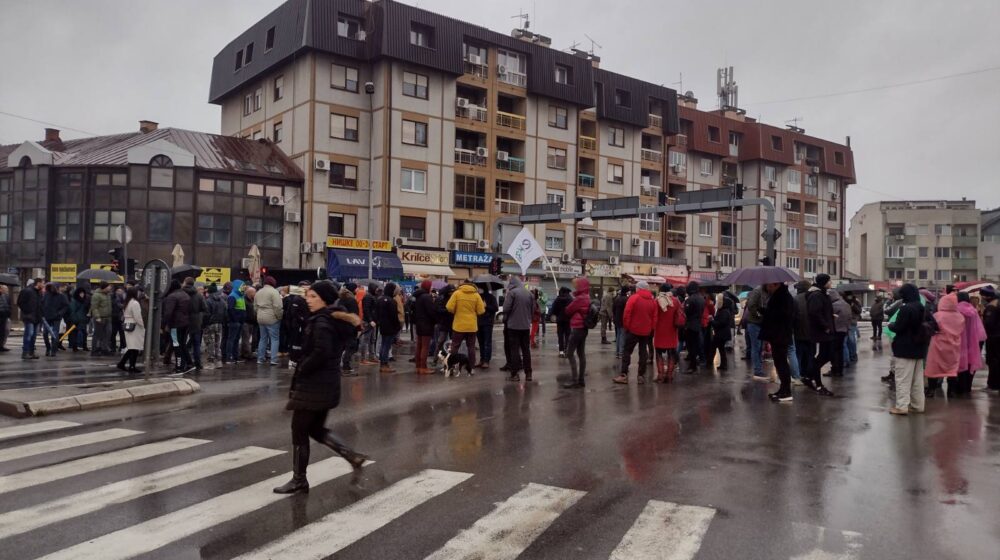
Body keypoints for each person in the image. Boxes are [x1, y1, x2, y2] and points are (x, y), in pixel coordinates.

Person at [272, 280, 369, 495]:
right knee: (315, 429)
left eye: (313, 296)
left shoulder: (322, 322)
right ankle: (352, 456)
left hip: (314, 386)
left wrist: (303, 367)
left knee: (299, 431)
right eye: (308, 296)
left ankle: (299, 480)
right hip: (327, 383)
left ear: (325, 299)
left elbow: (321, 352)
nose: (308, 300)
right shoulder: (331, 319)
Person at [887, 284, 929, 414]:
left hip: (904, 348)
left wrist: (890, 325)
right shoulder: (921, 307)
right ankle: (918, 405)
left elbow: (899, 327)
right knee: (917, 381)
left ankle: (901, 406)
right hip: (919, 348)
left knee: (902, 379)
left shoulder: (906, 309)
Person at [613, 281, 657, 384]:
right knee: (643, 353)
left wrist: (627, 327)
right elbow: (655, 317)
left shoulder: (634, 298)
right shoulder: (652, 300)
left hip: (633, 330)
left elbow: (627, 314)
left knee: (627, 351)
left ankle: (624, 375)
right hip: (646, 331)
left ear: (639, 288)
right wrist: (651, 328)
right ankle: (641, 375)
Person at [759, 282, 796, 402]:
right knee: (779, 362)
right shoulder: (779, 296)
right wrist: (765, 311)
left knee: (782, 363)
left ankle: (786, 392)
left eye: (769, 286)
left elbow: (783, 315)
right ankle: (783, 389)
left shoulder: (784, 297)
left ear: (775, 285)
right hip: (778, 334)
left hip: (780, 334)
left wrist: (767, 312)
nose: (767, 288)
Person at [923, 293, 965, 398]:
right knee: (952, 369)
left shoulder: (938, 315)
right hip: (954, 345)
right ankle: (951, 392)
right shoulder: (960, 316)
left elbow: (931, 328)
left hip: (938, 344)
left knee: (933, 367)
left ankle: (931, 390)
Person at [804, 274, 836, 396]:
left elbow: (821, 311)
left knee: (827, 355)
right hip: (820, 332)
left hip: (824, 331)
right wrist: (825, 326)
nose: (831, 283)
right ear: (824, 282)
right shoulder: (817, 295)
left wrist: (829, 317)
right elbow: (814, 313)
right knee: (821, 357)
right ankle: (818, 384)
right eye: (829, 281)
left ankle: (809, 376)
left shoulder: (822, 294)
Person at [951, 291, 987, 396]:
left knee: (959, 365)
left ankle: (959, 388)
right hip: (973, 342)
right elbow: (980, 330)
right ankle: (967, 387)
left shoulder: (955, 310)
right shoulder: (973, 311)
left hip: (958, 342)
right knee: (970, 363)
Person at [562, 277, 592, 389]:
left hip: (577, 328)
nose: (575, 286)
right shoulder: (587, 296)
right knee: (581, 353)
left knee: (569, 353)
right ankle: (581, 380)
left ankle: (575, 380)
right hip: (583, 328)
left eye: (576, 285)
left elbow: (568, 310)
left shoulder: (580, 298)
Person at [447, 280, 485, 367]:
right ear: (472, 285)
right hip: (471, 326)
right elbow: (481, 311)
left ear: (462, 284)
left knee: (455, 346)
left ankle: (451, 366)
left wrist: (456, 311)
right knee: (471, 347)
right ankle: (471, 366)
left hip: (458, 326)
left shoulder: (457, 293)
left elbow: (449, 307)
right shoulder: (476, 295)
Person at [503, 277, 534, 382]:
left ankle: (515, 374)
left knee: (514, 350)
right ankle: (528, 374)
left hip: (513, 326)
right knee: (526, 350)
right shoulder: (529, 294)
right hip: (525, 326)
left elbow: (506, 308)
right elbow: (533, 310)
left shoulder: (512, 293)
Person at [163, 279, 194, 375]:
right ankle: (189, 363)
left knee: (176, 345)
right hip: (185, 324)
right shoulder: (185, 295)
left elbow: (168, 313)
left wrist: (164, 324)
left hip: (175, 325)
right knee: (182, 344)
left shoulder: (172, 297)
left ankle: (179, 367)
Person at [652, 283, 681, 383]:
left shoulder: (656, 301)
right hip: (672, 331)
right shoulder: (676, 301)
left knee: (659, 354)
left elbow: (654, 316)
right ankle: (669, 375)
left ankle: (660, 375)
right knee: (671, 354)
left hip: (659, 331)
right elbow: (678, 316)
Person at [255, 276, 283, 367]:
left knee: (263, 338)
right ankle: (273, 359)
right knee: (274, 339)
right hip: (271, 318)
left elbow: (255, 307)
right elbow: (278, 307)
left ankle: (260, 358)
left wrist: (258, 314)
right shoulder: (274, 292)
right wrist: (279, 317)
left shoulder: (258, 292)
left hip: (260, 317)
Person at [115, 287, 145, 374]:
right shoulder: (135, 303)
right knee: (135, 347)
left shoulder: (127, 302)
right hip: (135, 326)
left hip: (128, 324)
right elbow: (138, 316)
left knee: (132, 347)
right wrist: (143, 325)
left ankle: (124, 364)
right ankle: (131, 366)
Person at [375, 283, 403, 373]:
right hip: (390, 327)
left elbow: (377, 313)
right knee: (386, 346)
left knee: (383, 345)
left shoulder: (380, 299)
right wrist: (397, 326)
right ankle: (384, 364)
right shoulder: (392, 301)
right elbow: (394, 316)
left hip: (382, 326)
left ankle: (382, 363)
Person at [284, 283, 311, 369]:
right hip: (298, 325)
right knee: (296, 343)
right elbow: (294, 313)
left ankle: (299, 359)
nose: (306, 290)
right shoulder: (297, 299)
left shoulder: (306, 299)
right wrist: (302, 320)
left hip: (304, 325)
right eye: (304, 288)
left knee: (302, 342)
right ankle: (293, 360)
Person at [412, 280, 437, 375]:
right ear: (427, 287)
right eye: (430, 286)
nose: (431, 288)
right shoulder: (426, 297)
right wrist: (436, 320)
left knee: (419, 345)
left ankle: (418, 366)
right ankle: (423, 367)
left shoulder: (417, 296)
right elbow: (431, 311)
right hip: (426, 324)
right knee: (425, 347)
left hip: (419, 323)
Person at [743, 285, 767, 380]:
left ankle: (759, 368)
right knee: (756, 346)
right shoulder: (757, 291)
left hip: (760, 323)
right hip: (754, 323)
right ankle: (758, 370)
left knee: (760, 347)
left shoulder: (766, 292)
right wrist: (759, 314)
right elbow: (751, 305)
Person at [338, 283, 361, 374]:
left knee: (342, 347)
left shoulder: (341, 299)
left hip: (341, 326)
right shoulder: (352, 300)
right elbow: (354, 315)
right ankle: (346, 366)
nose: (357, 290)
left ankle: (340, 365)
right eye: (356, 288)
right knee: (351, 346)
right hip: (350, 327)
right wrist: (358, 328)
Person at [185, 278, 207, 371]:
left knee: (182, 343)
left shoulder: (182, 293)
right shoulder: (199, 295)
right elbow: (205, 308)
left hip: (184, 320)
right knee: (196, 344)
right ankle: (198, 363)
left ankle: (185, 362)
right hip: (196, 322)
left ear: (185, 283)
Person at [683, 281, 705, 374]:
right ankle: (694, 364)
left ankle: (692, 366)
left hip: (690, 325)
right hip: (698, 324)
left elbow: (687, 312)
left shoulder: (690, 299)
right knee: (696, 345)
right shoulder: (701, 298)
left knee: (691, 346)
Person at [41, 283, 69, 357]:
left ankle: (53, 350)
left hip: (56, 317)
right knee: (45, 334)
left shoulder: (61, 296)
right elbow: (42, 304)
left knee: (55, 334)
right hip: (47, 317)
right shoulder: (46, 295)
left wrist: (59, 313)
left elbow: (66, 306)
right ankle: (48, 348)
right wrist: (43, 313)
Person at [203, 283, 227, 369]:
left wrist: (204, 324)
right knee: (217, 343)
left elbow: (206, 314)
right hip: (219, 324)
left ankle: (211, 362)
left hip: (210, 324)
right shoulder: (222, 301)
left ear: (209, 292)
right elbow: (225, 313)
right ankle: (218, 361)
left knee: (210, 343)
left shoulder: (208, 301)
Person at [828, 289, 851, 377]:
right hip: (843, 330)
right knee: (840, 351)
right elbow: (849, 317)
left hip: (835, 330)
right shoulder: (846, 304)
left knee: (833, 351)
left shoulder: (833, 305)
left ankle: (834, 369)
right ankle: (840, 371)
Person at [709, 295, 735, 371]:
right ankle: (723, 365)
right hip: (722, 334)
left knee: (715, 347)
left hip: (721, 334)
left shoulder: (724, 311)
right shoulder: (725, 310)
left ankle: (711, 362)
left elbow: (721, 323)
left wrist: (712, 321)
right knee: (721, 349)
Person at [981, 286, 1000, 391]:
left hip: (993, 338)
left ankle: (993, 384)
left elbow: (988, 324)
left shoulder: (992, 306)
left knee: (993, 361)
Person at [224, 280, 247, 364]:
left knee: (236, 339)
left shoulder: (241, 296)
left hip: (240, 321)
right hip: (235, 322)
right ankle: (228, 357)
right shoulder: (232, 296)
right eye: (242, 286)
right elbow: (230, 309)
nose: (244, 288)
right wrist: (235, 319)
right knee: (231, 339)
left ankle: (235, 357)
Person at [357, 283, 379, 366]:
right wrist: (370, 320)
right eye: (376, 288)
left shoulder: (372, 296)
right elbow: (366, 310)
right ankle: (363, 359)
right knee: (365, 340)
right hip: (368, 322)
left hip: (372, 321)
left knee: (372, 340)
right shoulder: (368, 297)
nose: (377, 290)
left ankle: (371, 357)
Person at [477, 285, 498, 369]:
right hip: (479, 322)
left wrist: (486, 306)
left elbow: (495, 308)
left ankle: (486, 361)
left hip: (487, 323)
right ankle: (482, 360)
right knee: (481, 342)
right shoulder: (478, 297)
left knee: (487, 342)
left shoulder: (491, 297)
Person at [89, 281, 113, 357]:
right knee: (97, 334)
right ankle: (94, 350)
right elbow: (94, 307)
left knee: (108, 333)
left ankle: (104, 348)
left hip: (108, 317)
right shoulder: (96, 295)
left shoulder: (108, 295)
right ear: (104, 287)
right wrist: (97, 317)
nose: (110, 288)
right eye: (109, 286)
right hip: (99, 318)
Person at [550, 287, 573, 357]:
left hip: (560, 320)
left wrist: (555, 315)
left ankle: (561, 352)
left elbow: (553, 309)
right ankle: (567, 350)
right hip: (568, 320)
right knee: (568, 335)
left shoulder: (558, 299)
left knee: (560, 336)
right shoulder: (570, 299)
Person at [67, 287, 90, 352]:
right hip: (77, 320)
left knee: (84, 333)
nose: (82, 294)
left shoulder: (85, 301)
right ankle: (75, 346)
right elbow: (72, 311)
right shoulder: (74, 301)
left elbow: (86, 311)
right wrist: (75, 320)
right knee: (75, 333)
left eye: (83, 293)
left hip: (83, 320)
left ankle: (84, 346)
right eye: (81, 293)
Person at [612, 286, 630, 359]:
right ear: (626, 292)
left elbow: (613, 309)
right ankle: (621, 352)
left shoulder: (617, 299)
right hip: (623, 320)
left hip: (617, 320)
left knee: (618, 336)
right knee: (622, 336)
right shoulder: (626, 299)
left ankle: (617, 352)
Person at [844, 292, 862, 363]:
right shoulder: (844, 300)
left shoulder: (856, 302)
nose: (849, 297)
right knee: (847, 340)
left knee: (851, 340)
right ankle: (848, 357)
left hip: (852, 322)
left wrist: (853, 305)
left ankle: (853, 356)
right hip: (845, 322)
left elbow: (859, 311)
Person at [0, 285, 10, 352]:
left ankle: (1, 346)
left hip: (4, 315)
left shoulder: (5, 296)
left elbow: (7, 305)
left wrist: (8, 313)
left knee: (3, 332)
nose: (5, 290)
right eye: (3, 289)